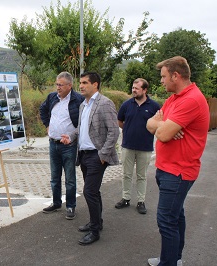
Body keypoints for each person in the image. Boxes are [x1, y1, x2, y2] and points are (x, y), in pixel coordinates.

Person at [146, 56, 209, 266]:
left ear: (176, 75)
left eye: (164, 77)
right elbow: (150, 124)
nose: (161, 81)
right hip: (166, 169)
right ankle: (173, 258)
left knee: (166, 221)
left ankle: (169, 262)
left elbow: (162, 135)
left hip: (179, 172)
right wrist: (163, 124)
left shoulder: (191, 99)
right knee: (176, 215)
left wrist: (162, 126)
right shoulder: (174, 98)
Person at [61, 71, 119, 245]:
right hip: (84, 154)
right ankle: (97, 222)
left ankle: (95, 231)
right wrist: (70, 136)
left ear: (95, 85)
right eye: (81, 82)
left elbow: (114, 131)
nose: (81, 85)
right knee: (94, 192)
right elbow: (81, 128)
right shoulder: (83, 105)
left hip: (97, 155)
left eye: (85, 82)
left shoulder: (105, 103)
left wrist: (103, 154)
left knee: (89, 192)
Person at [39, 71, 84, 219]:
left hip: (69, 145)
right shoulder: (52, 97)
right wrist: (47, 125)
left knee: (70, 179)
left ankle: (71, 206)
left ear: (70, 86)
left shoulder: (78, 100)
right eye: (57, 84)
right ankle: (56, 202)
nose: (58, 87)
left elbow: (83, 121)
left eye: (61, 85)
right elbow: (43, 109)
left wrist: (74, 136)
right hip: (53, 143)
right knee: (54, 177)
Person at [115, 78, 160, 214]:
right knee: (126, 174)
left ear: (145, 90)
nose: (133, 90)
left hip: (145, 147)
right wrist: (129, 130)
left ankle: (141, 201)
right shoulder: (126, 104)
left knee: (142, 176)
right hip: (128, 146)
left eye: (137, 88)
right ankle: (125, 198)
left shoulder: (154, 106)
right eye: (133, 87)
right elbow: (120, 121)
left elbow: (159, 123)